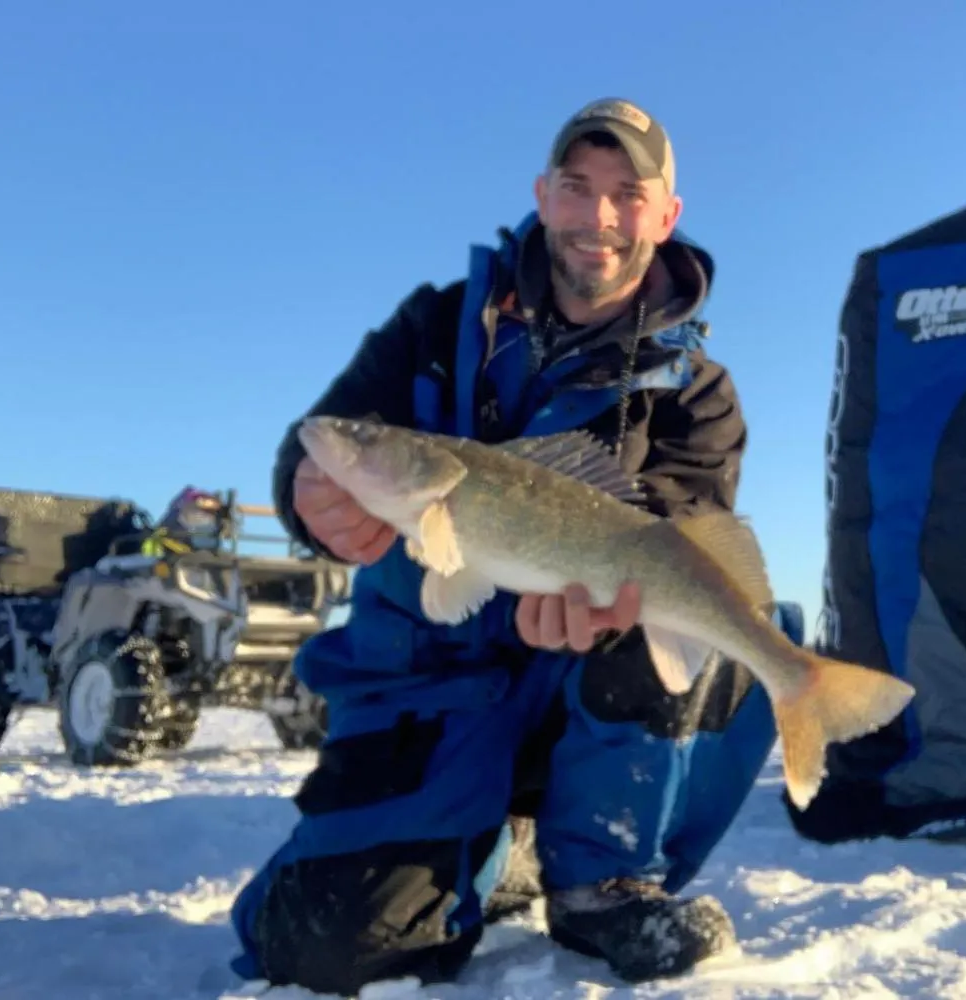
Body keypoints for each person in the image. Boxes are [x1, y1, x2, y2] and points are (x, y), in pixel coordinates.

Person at [227, 98, 795, 994]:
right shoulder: (434, 325)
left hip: (582, 678)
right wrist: (306, 494)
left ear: (665, 215)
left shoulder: (697, 393)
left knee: (711, 616)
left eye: (627, 194)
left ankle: (603, 881)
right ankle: (494, 847)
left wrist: (605, 616)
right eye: (576, 187)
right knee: (330, 951)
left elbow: (684, 535)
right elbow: (324, 438)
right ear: (542, 194)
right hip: (433, 677)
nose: (597, 216)